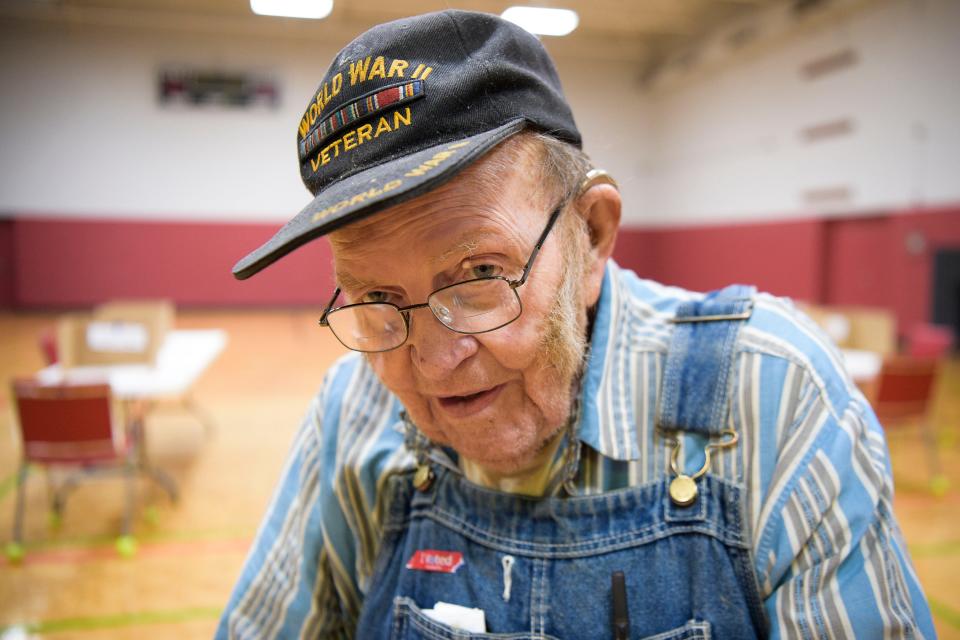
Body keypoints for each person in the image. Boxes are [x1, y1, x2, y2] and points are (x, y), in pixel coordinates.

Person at [218, 9, 935, 639]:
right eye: (374, 297)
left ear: (591, 235)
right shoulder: (353, 412)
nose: (432, 361)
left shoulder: (769, 398)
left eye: (477, 276)